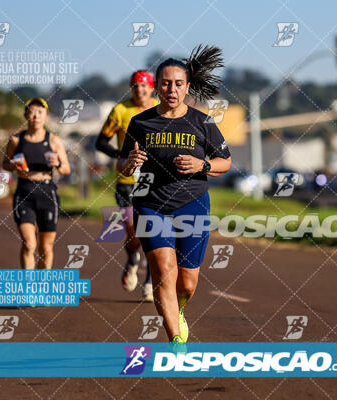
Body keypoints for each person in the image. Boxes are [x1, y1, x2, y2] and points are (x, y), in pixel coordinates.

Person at [118, 45, 231, 343]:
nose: (172, 89)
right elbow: (123, 163)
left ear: (187, 87)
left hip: (192, 203)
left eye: (178, 84)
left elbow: (226, 162)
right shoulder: (140, 122)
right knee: (162, 270)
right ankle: (175, 341)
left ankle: (178, 309)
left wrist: (202, 164)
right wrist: (128, 164)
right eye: (166, 83)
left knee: (188, 283)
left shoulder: (202, 122)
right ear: (156, 86)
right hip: (151, 204)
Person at [96, 70, 159, 302]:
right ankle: (133, 259)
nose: (139, 90)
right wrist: (121, 155)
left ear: (152, 88)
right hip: (127, 181)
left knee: (151, 231)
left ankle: (151, 280)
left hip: (152, 180)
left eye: (144, 86)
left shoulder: (160, 110)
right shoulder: (120, 111)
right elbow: (101, 141)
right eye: (135, 86)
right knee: (133, 230)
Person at [3, 98, 70, 269]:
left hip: (47, 193)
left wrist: (58, 164)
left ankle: (42, 286)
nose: (35, 116)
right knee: (28, 244)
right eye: (32, 111)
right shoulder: (16, 141)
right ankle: (29, 289)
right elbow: (5, 164)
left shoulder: (54, 141)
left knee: (46, 248)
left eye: (40, 112)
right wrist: (13, 165)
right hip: (24, 192)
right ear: (26, 115)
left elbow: (66, 169)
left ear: (46, 116)